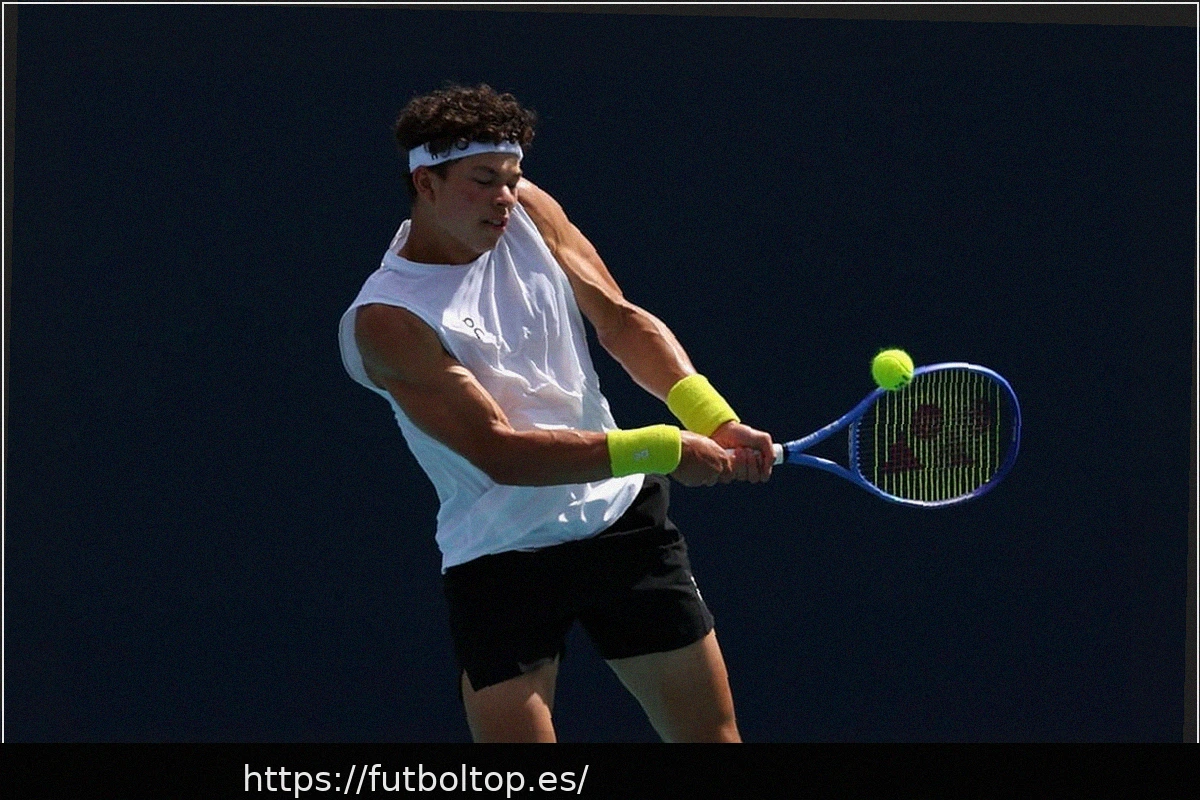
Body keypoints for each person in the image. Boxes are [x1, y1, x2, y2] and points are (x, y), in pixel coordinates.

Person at [338, 84, 775, 743]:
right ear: (427, 184)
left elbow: (620, 321)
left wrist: (713, 419)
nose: (505, 197)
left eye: (512, 178)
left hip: (620, 525)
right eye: (484, 180)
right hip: (499, 555)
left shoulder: (530, 214)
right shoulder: (388, 320)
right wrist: (664, 448)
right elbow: (500, 452)